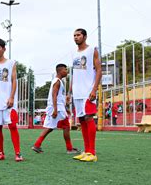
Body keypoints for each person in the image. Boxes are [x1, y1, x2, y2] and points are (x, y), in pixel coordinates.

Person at [67, 28, 102, 162]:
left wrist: (94, 90)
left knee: (88, 118)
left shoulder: (92, 49)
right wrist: (69, 93)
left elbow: (99, 70)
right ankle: (86, 151)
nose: (76, 37)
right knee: (81, 120)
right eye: (74, 35)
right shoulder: (74, 54)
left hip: (88, 91)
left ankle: (92, 153)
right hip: (77, 92)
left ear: (85, 36)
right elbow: (74, 74)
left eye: (78, 35)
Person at [32, 64, 80, 154]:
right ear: (60, 71)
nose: (67, 71)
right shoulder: (57, 81)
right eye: (65, 70)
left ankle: (37, 145)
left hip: (58, 108)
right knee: (65, 127)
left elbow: (59, 97)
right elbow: (54, 95)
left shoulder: (59, 81)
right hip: (57, 108)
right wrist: (55, 109)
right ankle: (69, 149)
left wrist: (65, 108)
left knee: (50, 128)